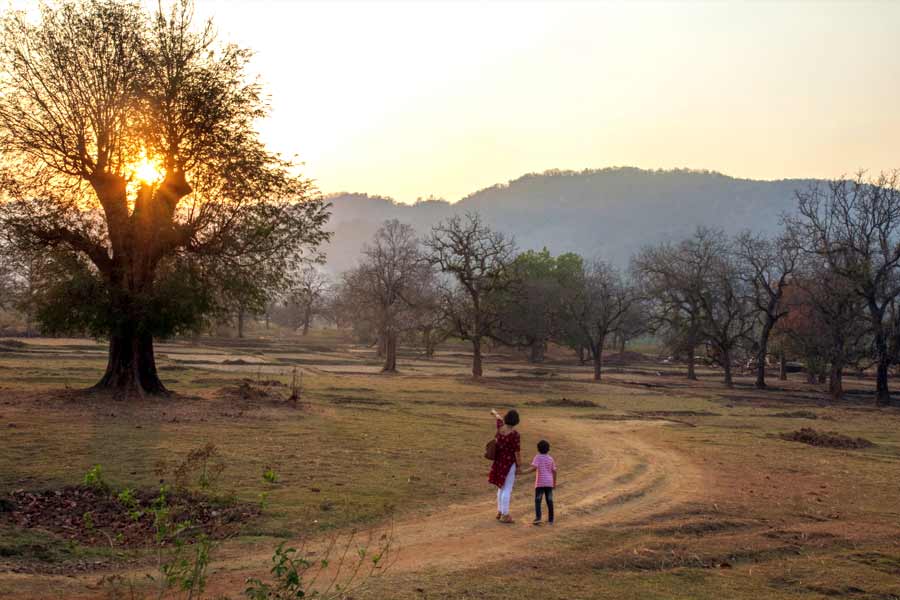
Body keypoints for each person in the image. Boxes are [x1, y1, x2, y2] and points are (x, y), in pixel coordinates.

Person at [488, 408, 521, 523]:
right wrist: (519, 466)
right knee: (507, 488)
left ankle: (500, 511)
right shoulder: (515, 434)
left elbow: (498, 418)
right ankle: (505, 514)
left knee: (500, 487)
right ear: (516, 421)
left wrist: (494, 412)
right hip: (509, 463)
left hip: (498, 461)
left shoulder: (500, 428)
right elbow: (517, 452)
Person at [520, 439, 556, 525]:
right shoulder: (551, 459)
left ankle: (538, 518)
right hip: (549, 483)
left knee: (538, 500)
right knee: (549, 501)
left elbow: (533, 468)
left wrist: (523, 472)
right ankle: (551, 520)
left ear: (538, 449)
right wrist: (554, 483)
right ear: (548, 449)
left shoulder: (537, 457)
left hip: (540, 483)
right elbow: (554, 471)